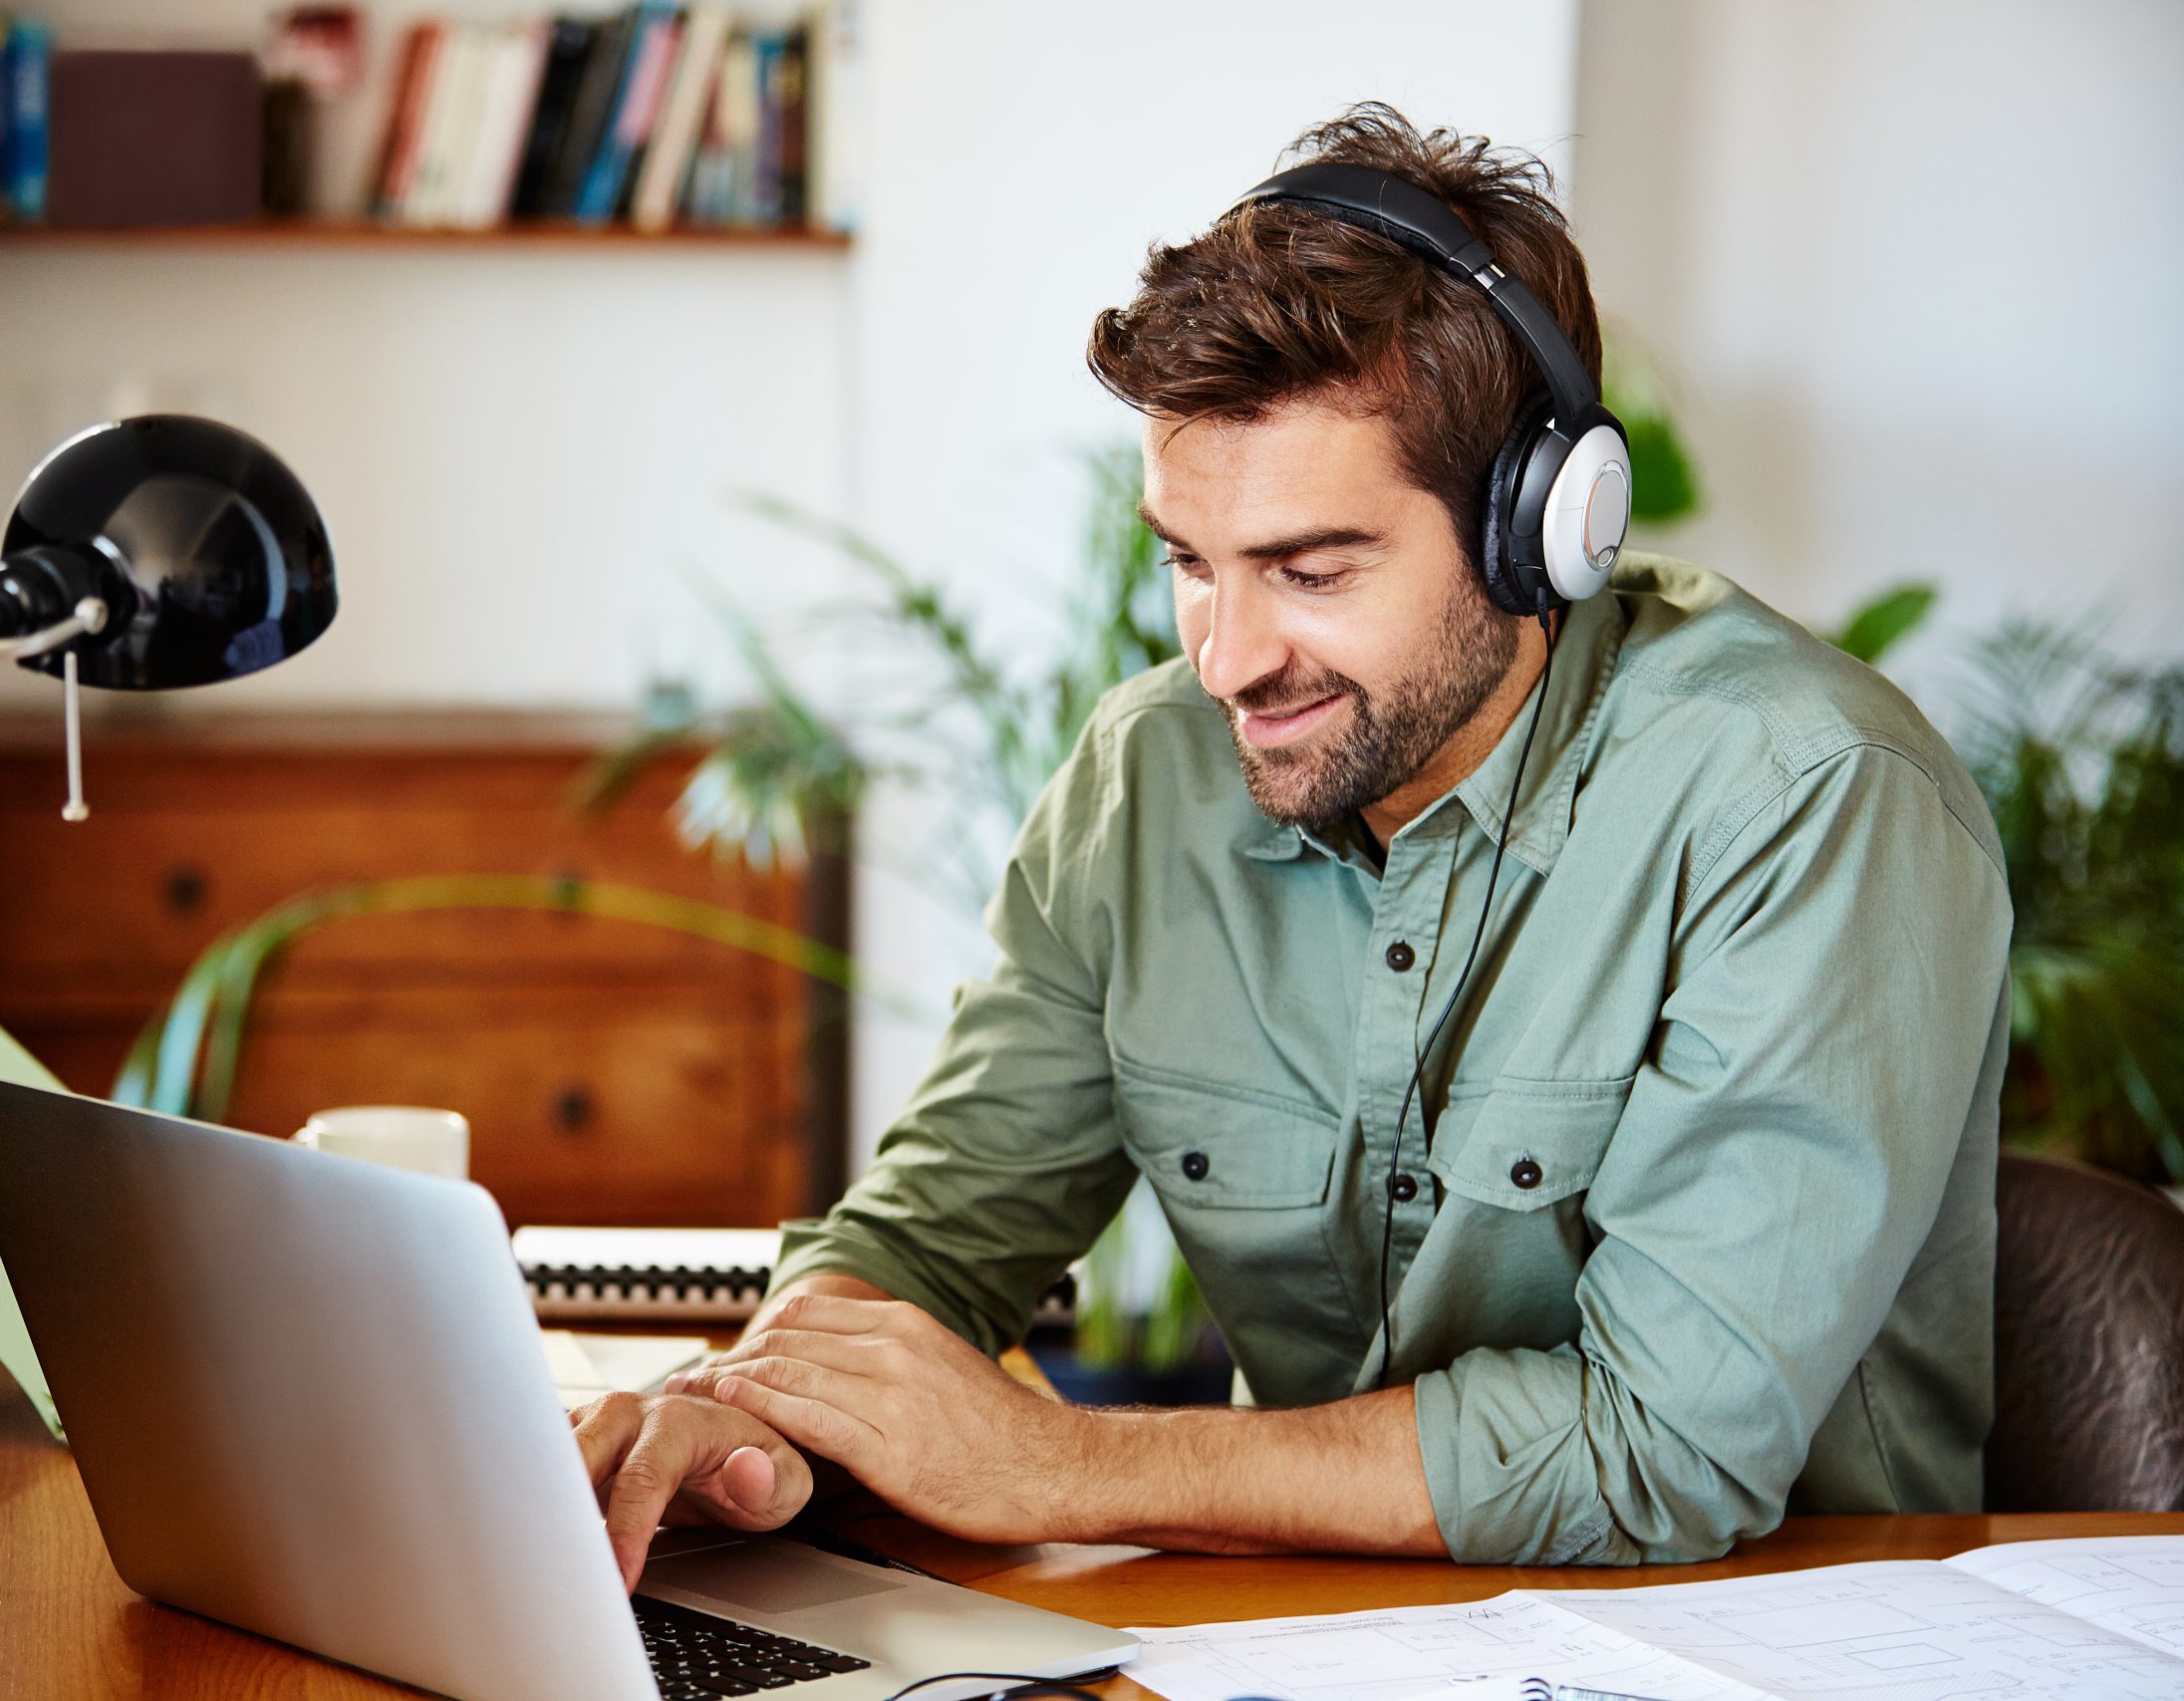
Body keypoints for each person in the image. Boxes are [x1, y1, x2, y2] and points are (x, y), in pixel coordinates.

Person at [571, 103, 2012, 1583]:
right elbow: (935, 1243)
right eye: (1192, 564)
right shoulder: (1150, 778)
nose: (1228, 658)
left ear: (1539, 532)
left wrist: (1049, 1463)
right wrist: (757, 1421)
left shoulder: (1808, 796)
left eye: (1310, 571)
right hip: (1305, 1639)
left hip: (1775, 1638)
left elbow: (1662, 1453)